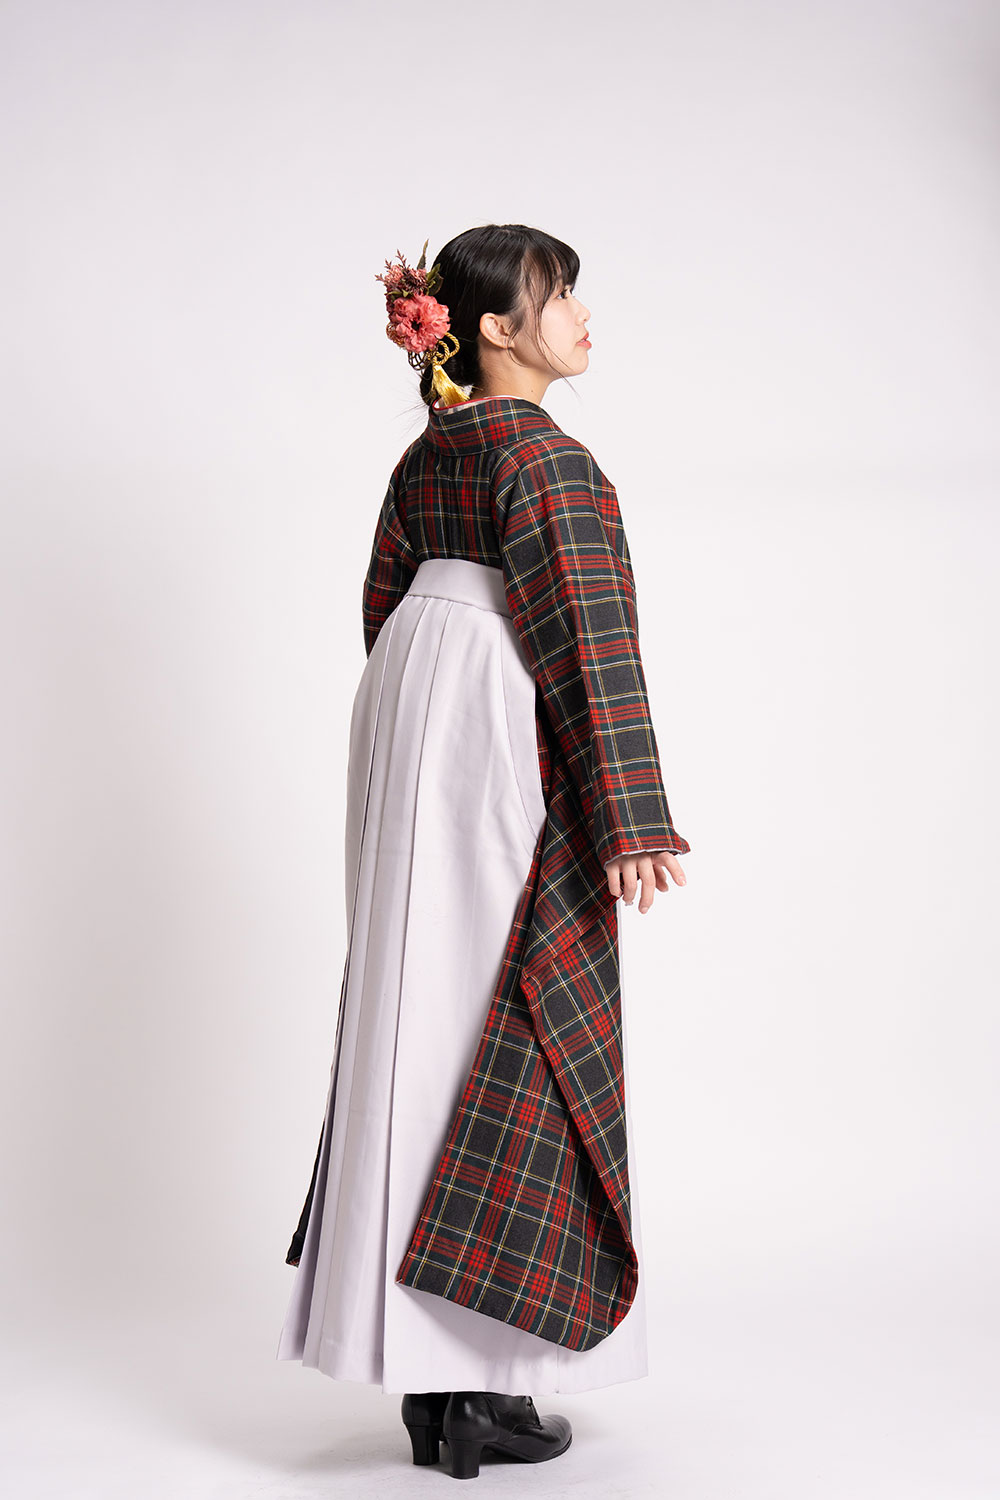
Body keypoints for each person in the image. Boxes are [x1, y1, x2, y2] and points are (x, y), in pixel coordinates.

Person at [275, 223, 692, 1480]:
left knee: (415, 1004)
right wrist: (628, 812)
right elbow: (586, 637)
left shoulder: (433, 450)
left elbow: (383, 597)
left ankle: (437, 1384)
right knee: (497, 1004)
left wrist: (420, 711)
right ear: (497, 329)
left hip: (415, 699)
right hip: (500, 696)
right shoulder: (548, 459)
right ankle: (479, 1376)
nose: (582, 316)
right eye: (560, 297)